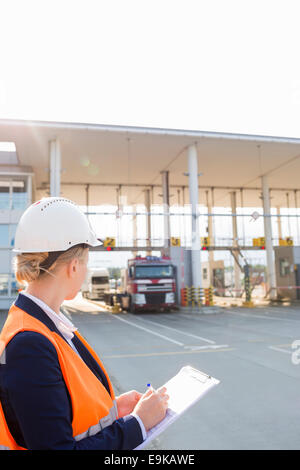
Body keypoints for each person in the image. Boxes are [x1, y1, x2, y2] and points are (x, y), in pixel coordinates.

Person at [0, 197, 169, 450]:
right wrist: (138, 424)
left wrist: (114, 411)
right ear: (74, 266)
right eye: (86, 262)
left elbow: (66, 414)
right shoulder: (30, 345)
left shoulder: (45, 325)